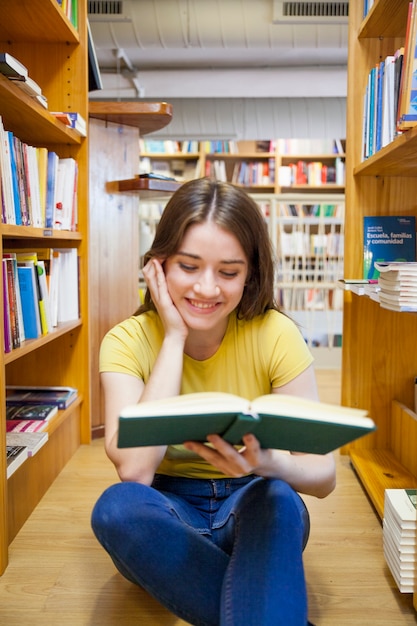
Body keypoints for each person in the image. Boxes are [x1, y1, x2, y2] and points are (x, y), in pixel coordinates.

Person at [91, 177, 336, 626]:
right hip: (168, 517)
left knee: (279, 499)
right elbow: (136, 469)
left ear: (250, 275)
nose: (207, 289)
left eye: (228, 272)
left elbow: (324, 475)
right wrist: (174, 338)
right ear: (158, 265)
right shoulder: (125, 342)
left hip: (253, 504)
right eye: (188, 266)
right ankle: (265, 603)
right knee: (116, 508)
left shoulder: (276, 334)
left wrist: (269, 465)